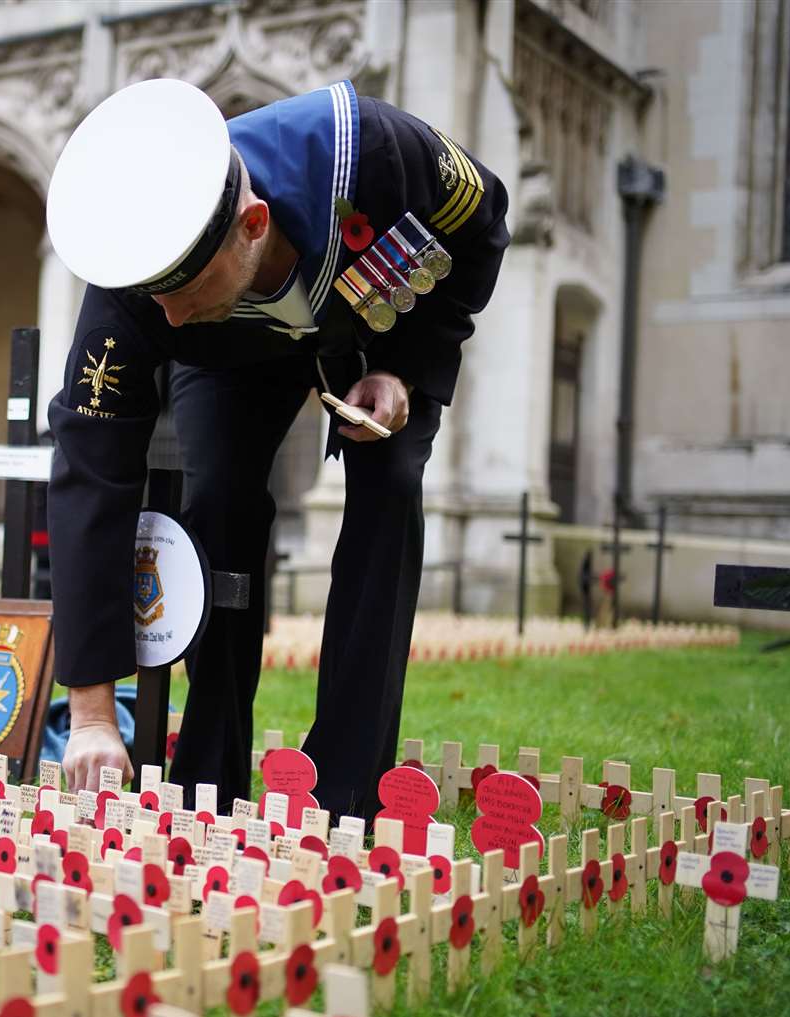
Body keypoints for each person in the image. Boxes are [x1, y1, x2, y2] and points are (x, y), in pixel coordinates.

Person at [45, 78, 508, 820]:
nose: (163, 315)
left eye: (181, 290)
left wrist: (407, 370)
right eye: (152, 297)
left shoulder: (381, 154)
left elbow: (483, 223)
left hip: (372, 329)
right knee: (218, 506)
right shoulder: (140, 297)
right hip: (224, 351)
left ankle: (345, 787)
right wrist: (94, 715)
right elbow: (89, 476)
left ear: (253, 223)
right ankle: (209, 774)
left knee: (388, 488)